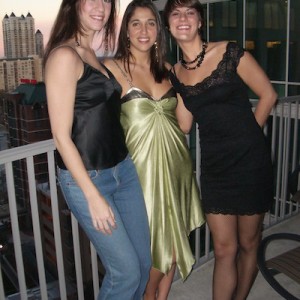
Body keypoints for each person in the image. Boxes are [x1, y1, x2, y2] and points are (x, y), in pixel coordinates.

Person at [164, 0, 277, 299]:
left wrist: (249, 137)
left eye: (190, 12)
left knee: (249, 242)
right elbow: (185, 125)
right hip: (216, 169)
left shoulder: (229, 52)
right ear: (169, 25)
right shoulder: (175, 73)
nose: (183, 18)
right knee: (225, 248)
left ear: (200, 21)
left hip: (250, 160)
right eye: (175, 13)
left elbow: (268, 95)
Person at [43, 0, 151, 299]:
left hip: (123, 171)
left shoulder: (92, 53)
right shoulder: (64, 55)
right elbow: (60, 136)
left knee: (144, 264)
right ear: (74, 5)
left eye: (107, 0)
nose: (101, 6)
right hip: (89, 180)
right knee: (125, 273)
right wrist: (92, 196)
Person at [104, 1, 205, 299]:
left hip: (176, 165)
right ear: (126, 30)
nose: (144, 30)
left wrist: (191, 78)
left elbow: (185, 125)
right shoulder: (111, 68)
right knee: (149, 250)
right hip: (139, 173)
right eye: (136, 23)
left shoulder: (168, 70)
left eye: (151, 23)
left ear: (159, 31)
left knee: (172, 245)